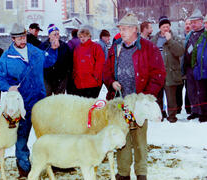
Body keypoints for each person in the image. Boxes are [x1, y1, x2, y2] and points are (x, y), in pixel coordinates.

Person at [103, 13, 165, 180]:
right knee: (122, 137)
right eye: (120, 29)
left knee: (139, 140)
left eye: (124, 29)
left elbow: (159, 73)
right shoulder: (115, 47)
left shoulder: (148, 47)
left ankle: (141, 173)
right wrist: (111, 82)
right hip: (120, 103)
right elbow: (106, 71)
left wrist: (145, 97)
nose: (121, 32)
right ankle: (123, 173)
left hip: (138, 103)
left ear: (134, 29)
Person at [0, 23, 59, 178]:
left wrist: (54, 49)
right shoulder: (7, 57)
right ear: (12, 39)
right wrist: (9, 88)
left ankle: (50, 163)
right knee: (21, 136)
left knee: (44, 134)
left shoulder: (35, 51)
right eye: (18, 38)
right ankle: (24, 167)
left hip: (39, 100)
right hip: (20, 104)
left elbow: (49, 61)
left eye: (23, 37)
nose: (22, 40)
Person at [151, 16, 184, 123]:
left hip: (170, 72)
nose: (166, 28)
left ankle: (172, 117)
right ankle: (160, 116)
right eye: (164, 26)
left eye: (168, 26)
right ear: (160, 28)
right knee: (157, 97)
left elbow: (180, 52)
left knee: (171, 98)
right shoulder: (153, 40)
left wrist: (170, 40)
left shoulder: (175, 38)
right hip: (157, 73)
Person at [182, 9, 205, 120]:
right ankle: (195, 110)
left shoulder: (205, 34)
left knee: (201, 91)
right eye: (191, 22)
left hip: (200, 68)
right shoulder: (189, 35)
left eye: (195, 22)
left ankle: (203, 112)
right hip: (189, 68)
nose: (193, 24)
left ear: (201, 21)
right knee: (191, 91)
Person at [39, 24, 73, 95]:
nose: (57, 36)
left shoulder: (64, 46)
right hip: (47, 77)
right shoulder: (43, 46)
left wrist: (67, 73)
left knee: (59, 100)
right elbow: (39, 61)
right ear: (49, 36)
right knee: (46, 98)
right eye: (54, 34)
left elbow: (70, 60)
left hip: (61, 77)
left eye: (58, 34)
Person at [73, 28, 105, 98]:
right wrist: (75, 76)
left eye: (84, 36)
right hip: (80, 83)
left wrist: (95, 76)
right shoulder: (77, 49)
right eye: (81, 37)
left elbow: (100, 62)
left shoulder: (96, 47)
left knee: (91, 105)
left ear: (89, 36)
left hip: (93, 83)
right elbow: (75, 64)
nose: (82, 38)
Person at [191, 14, 207, 122]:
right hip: (201, 72)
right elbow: (195, 53)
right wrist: (194, 67)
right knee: (202, 94)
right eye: (206, 23)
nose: (206, 25)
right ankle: (204, 114)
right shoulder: (202, 37)